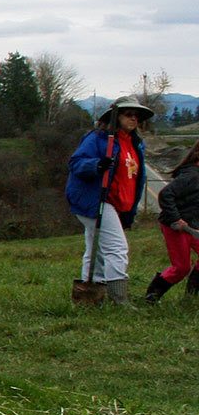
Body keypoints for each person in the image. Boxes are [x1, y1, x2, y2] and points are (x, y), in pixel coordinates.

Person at [65, 96, 153, 303]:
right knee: (117, 248)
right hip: (96, 201)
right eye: (128, 114)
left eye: (137, 116)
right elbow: (76, 162)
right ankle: (119, 298)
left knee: (96, 251)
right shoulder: (98, 139)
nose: (134, 119)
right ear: (116, 117)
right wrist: (97, 165)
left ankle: (91, 296)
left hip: (116, 203)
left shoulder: (135, 144)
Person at [143, 142, 199, 303]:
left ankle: (191, 297)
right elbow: (166, 194)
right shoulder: (191, 176)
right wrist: (175, 218)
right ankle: (152, 296)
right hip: (175, 226)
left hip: (193, 225)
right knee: (181, 268)